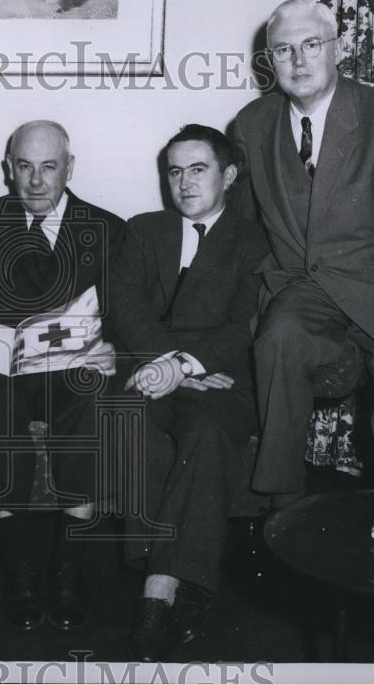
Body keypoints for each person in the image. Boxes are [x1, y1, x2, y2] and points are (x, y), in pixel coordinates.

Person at [234, 0, 374, 499]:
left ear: (339, 48)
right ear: (269, 61)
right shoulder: (251, 125)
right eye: (283, 50)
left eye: (312, 45)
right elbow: (241, 235)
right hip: (305, 297)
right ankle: (279, 508)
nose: (299, 61)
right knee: (278, 337)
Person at [0, 120, 124, 633]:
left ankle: (68, 564)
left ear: (69, 168)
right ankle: (19, 563)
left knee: (91, 384)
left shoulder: (108, 228)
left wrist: (112, 350)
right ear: (8, 169)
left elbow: (130, 315)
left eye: (49, 167)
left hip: (69, 373)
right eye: (25, 167)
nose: (36, 181)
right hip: (3, 373)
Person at [109, 125, 270, 661]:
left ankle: (161, 587)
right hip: (151, 369)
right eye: (173, 171)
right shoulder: (142, 230)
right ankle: (186, 581)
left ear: (227, 175)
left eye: (197, 169)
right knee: (129, 417)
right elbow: (124, 305)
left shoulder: (256, 242)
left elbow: (246, 322)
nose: (183, 181)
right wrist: (166, 364)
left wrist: (186, 365)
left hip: (220, 376)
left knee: (203, 430)